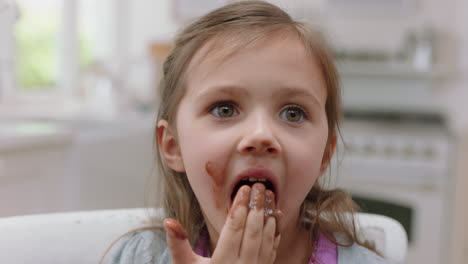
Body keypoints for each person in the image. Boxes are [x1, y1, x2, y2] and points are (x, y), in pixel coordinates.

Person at [101, 1, 392, 263]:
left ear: (324, 155)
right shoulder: (139, 257)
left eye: (293, 113)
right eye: (224, 109)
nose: (261, 135)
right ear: (173, 146)